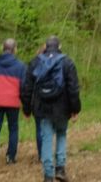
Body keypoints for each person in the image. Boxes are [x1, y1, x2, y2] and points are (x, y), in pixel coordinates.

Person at [21, 36, 81, 182]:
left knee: (46, 138)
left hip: (43, 108)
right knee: (61, 134)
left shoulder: (35, 62)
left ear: (45, 46)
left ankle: (48, 175)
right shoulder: (67, 62)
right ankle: (60, 169)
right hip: (63, 107)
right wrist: (75, 109)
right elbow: (73, 88)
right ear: (59, 46)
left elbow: (27, 88)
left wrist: (27, 109)